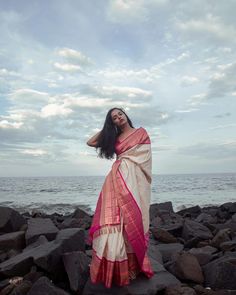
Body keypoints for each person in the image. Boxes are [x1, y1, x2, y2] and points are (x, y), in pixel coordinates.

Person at [86, 107, 154, 288]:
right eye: (114, 118)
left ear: (125, 115)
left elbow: (145, 159)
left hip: (133, 180)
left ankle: (132, 266)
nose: (118, 118)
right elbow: (90, 142)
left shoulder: (141, 133)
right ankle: (115, 265)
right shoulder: (114, 138)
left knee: (131, 218)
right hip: (116, 179)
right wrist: (107, 128)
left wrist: (130, 168)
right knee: (114, 219)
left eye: (120, 114)